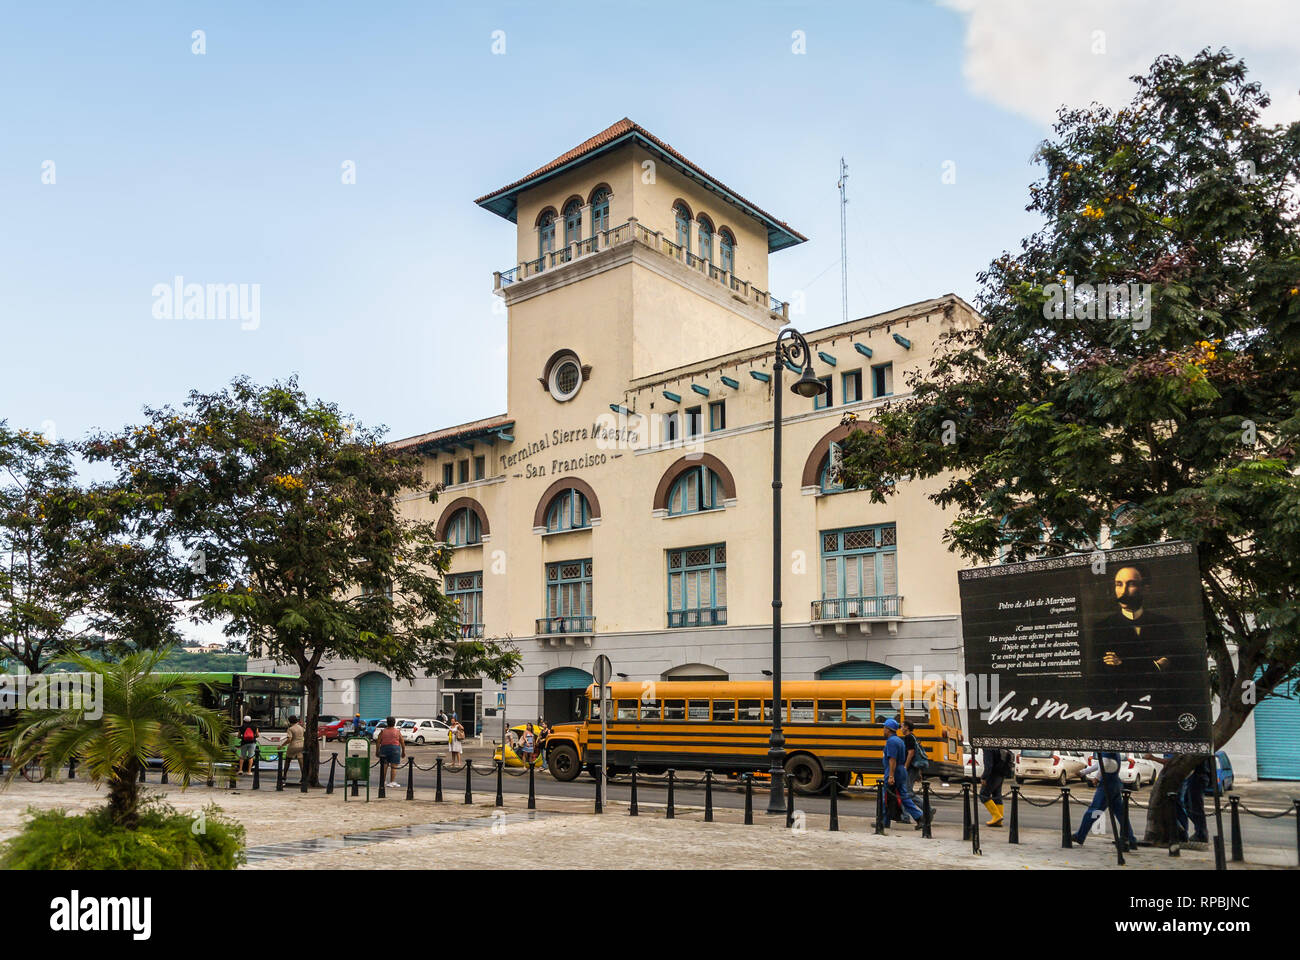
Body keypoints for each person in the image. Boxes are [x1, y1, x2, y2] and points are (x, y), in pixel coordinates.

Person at [1094, 564, 1183, 675]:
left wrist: (1122, 663)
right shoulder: (1102, 628)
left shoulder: (1168, 625)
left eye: (1131, 584)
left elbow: (1177, 664)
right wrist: (1156, 665)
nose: (1123, 592)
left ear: (1145, 589)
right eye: (1119, 584)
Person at [1075, 751, 1138, 848]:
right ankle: (1130, 839)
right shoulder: (1112, 749)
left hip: (1106, 784)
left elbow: (1105, 763)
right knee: (1121, 814)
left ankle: (1080, 836)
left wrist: (1097, 778)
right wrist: (1084, 772)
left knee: (1093, 811)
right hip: (1115, 783)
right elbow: (1101, 763)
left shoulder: (1106, 749)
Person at [880, 718, 929, 831]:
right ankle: (919, 817)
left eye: (884, 728)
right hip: (901, 771)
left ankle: (882, 821)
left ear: (888, 729)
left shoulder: (891, 741)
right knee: (903, 796)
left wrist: (891, 775)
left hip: (894, 771)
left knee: (885, 797)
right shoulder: (899, 740)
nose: (883, 730)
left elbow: (892, 759)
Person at [979, 745, 1013, 826]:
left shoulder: (987, 747)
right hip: (1001, 773)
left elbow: (989, 765)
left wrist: (984, 777)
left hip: (992, 774)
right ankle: (999, 821)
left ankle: (996, 816)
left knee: (983, 795)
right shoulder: (997, 745)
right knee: (997, 796)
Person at [376, 714, 405, 788]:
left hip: (384, 748)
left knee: (385, 766)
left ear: (387, 723)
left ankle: (383, 781)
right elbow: (402, 742)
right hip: (395, 748)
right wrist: (403, 751)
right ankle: (392, 782)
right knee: (394, 766)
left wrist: (377, 751)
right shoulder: (397, 731)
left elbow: (378, 742)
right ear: (394, 723)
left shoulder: (383, 731)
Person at [284, 715, 306, 784]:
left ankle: (284, 775)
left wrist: (282, 745)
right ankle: (303, 777)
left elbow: (289, 739)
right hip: (301, 745)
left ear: (290, 721)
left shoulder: (290, 729)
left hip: (293, 746)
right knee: (301, 762)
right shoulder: (301, 728)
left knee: (288, 760)